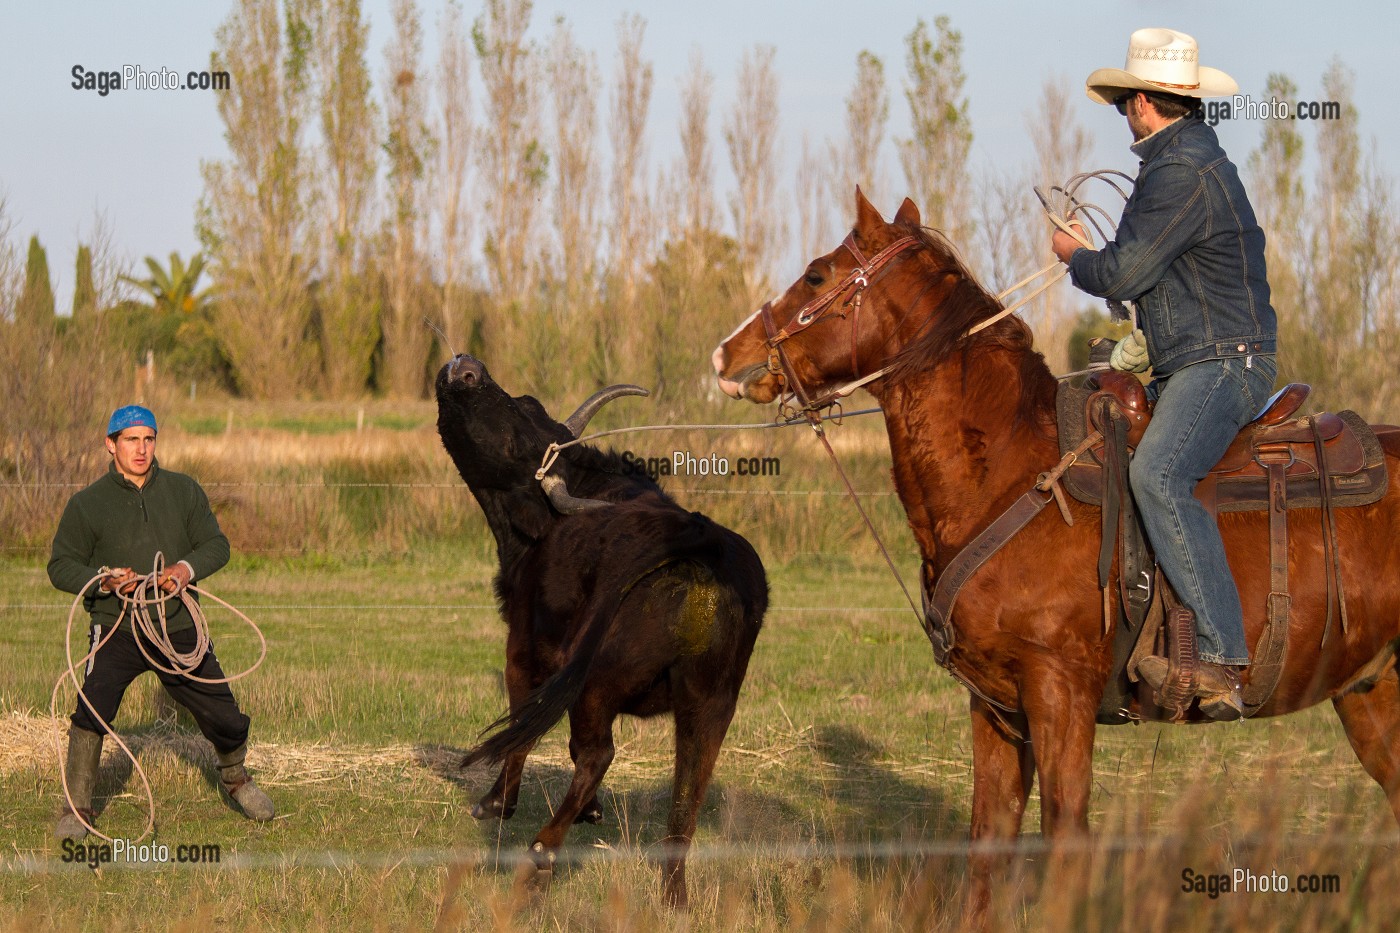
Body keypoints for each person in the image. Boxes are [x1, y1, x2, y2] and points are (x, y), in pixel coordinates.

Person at [1051, 28, 1278, 719]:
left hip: (1223, 363)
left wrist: (1073, 256)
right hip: (1201, 357)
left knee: (1157, 474)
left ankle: (1222, 655)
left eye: (1125, 104)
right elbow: (1149, 276)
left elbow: (1120, 268)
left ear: (1146, 102)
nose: (1124, 116)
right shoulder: (1181, 163)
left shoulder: (1180, 171)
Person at [47, 404, 273, 838]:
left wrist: (185, 570)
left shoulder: (183, 491)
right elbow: (61, 566)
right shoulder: (86, 504)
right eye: (131, 439)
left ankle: (236, 778)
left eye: (148, 439)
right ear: (110, 444)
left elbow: (217, 545)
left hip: (177, 622)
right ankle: (76, 808)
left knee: (223, 711)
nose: (141, 448)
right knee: (92, 709)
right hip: (117, 625)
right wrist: (106, 581)